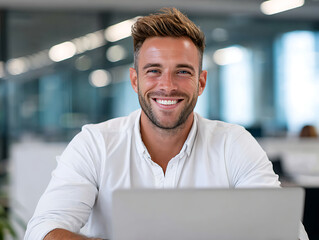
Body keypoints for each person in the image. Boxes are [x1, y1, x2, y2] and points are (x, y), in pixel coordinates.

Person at [24, 8, 308, 240]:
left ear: (201, 82)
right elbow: (42, 230)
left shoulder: (233, 144)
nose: (167, 86)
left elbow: (287, 233)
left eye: (182, 71)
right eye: (154, 71)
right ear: (135, 81)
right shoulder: (95, 144)